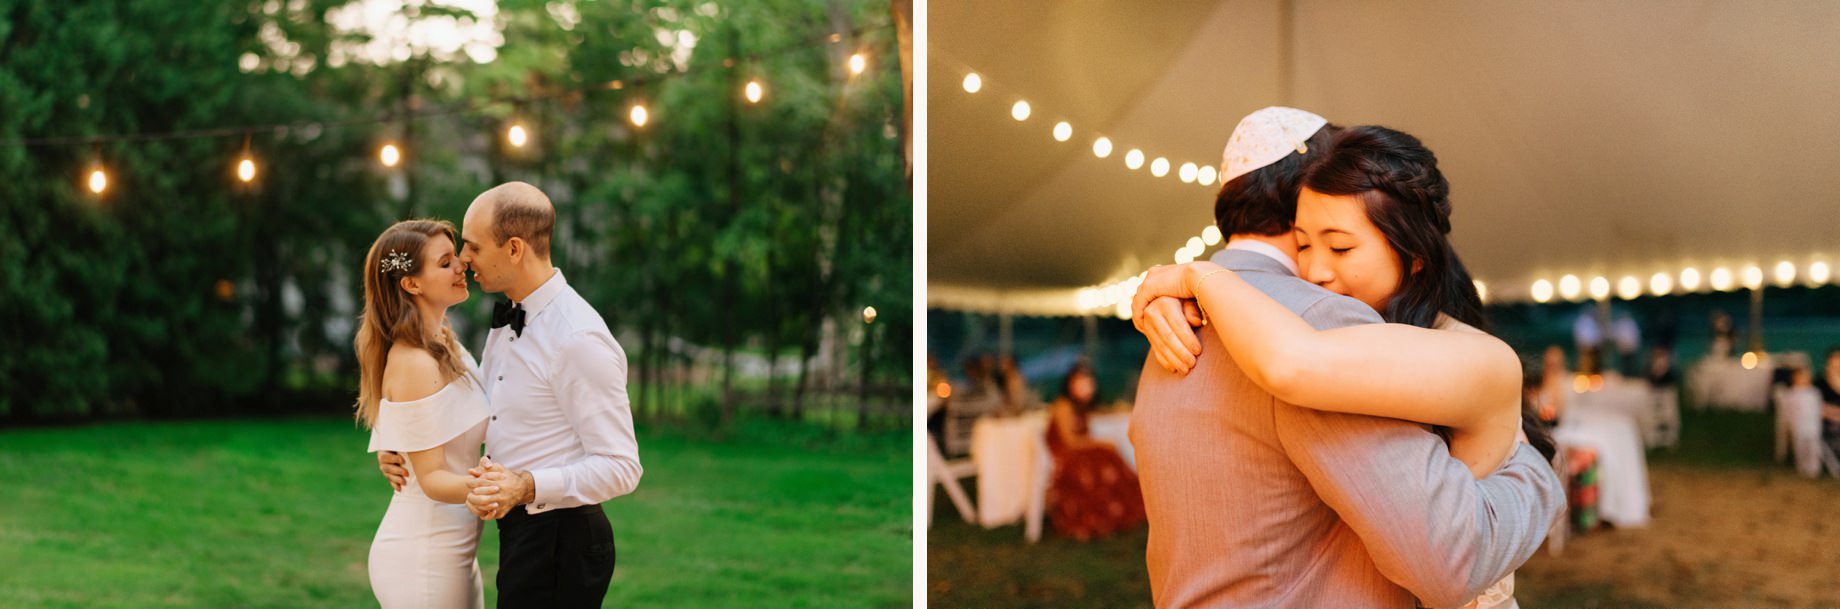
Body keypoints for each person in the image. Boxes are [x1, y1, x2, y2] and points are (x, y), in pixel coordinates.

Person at [1129, 113, 1563, 609]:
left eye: (1339, 245)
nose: (1316, 270)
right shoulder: (1313, 315)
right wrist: (1535, 471)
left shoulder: (1172, 327)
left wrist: (1193, 280)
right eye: (1308, 242)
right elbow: (1449, 558)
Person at [379, 182, 642, 608]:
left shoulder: (576, 338)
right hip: (522, 535)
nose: (464, 259)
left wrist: (526, 485)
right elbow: (468, 403)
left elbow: (622, 466)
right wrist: (402, 440)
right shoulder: (506, 322)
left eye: (473, 247)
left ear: (514, 249)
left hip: (563, 539)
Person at [357, 219, 489, 608]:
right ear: (411, 284)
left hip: (456, 549)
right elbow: (430, 479)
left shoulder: (444, 341)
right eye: (446, 262)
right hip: (424, 555)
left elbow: (424, 420)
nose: (461, 265)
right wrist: (511, 487)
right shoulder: (414, 361)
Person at [1043, 362, 1144, 540]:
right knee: (1102, 458)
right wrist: (1099, 444)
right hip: (1066, 453)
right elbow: (1070, 442)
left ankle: (1113, 511)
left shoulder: (1080, 407)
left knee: (1109, 455)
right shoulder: (1064, 406)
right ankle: (1100, 514)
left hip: (1078, 449)